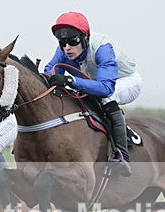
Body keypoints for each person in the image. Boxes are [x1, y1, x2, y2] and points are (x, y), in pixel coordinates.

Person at [43, 11, 142, 177]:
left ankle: (121, 155)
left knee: (107, 98)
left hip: (124, 81)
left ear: (85, 38)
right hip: (94, 82)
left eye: (73, 41)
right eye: (63, 42)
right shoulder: (64, 50)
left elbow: (105, 88)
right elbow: (50, 72)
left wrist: (70, 80)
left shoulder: (102, 48)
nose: (67, 47)